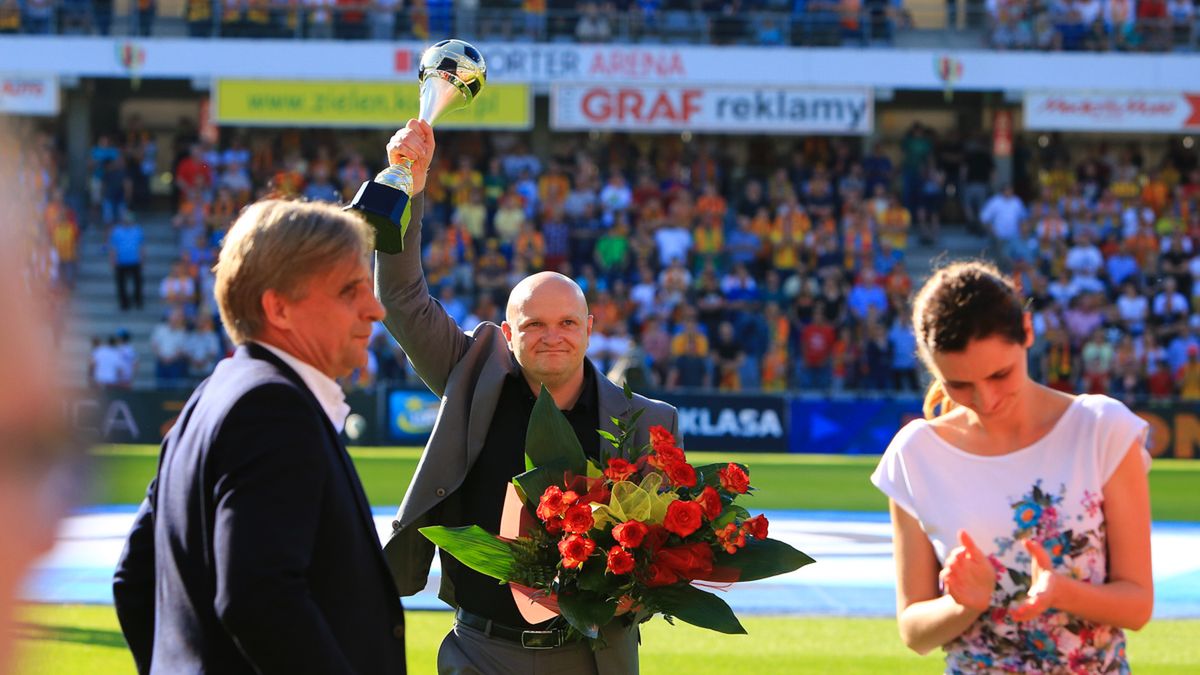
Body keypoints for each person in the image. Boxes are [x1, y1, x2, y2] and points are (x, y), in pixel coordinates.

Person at [349, 119, 679, 674]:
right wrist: (412, 182)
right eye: (534, 325)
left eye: (568, 322)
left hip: (594, 658)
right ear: (506, 333)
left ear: (591, 328)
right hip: (480, 651)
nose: (553, 336)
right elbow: (402, 297)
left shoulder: (648, 421)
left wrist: (636, 590)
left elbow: (665, 555)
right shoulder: (470, 376)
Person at [111, 200, 407, 674]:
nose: (374, 308)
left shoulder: (214, 395)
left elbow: (135, 579)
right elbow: (259, 600)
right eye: (351, 290)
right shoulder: (272, 409)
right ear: (279, 308)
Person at [870, 261, 1153, 672]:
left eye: (1000, 374)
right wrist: (964, 604)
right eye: (960, 384)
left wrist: (1060, 592)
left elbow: (1138, 603)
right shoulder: (915, 455)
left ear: (1028, 330)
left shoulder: (1102, 430)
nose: (986, 400)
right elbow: (914, 630)